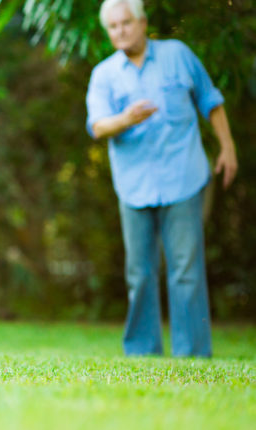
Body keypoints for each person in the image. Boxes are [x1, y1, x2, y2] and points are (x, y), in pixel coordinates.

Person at [85, 0, 238, 357]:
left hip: (183, 178)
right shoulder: (104, 74)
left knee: (186, 271)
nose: (120, 31)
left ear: (142, 22)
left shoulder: (177, 55)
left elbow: (211, 101)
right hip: (133, 186)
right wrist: (126, 119)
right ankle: (142, 351)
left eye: (126, 23)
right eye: (113, 27)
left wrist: (228, 148)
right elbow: (97, 125)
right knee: (139, 274)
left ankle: (193, 354)